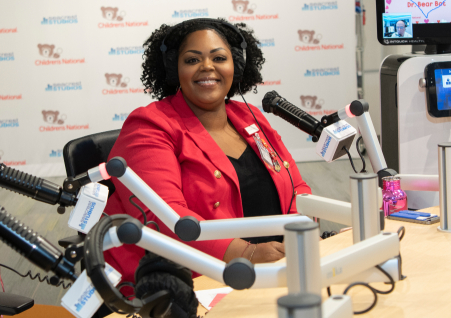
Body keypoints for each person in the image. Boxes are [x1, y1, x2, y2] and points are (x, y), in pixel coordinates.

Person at [102, 18, 312, 284]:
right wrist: (246, 254)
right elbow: (163, 217)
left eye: (219, 57)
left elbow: (297, 186)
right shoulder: (149, 125)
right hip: (195, 279)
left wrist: (299, 236)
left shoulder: (250, 116)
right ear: (173, 69)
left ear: (236, 64)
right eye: (192, 60)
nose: (207, 67)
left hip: (276, 268)